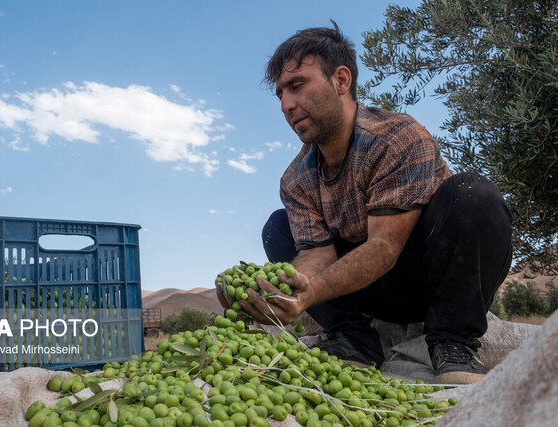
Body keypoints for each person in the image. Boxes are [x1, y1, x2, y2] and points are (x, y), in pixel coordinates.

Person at [216, 22, 513, 384]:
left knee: (473, 194)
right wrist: (283, 289)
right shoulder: (296, 180)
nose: (287, 105)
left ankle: (453, 341)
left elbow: (385, 245)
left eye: (297, 86)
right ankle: (355, 339)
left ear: (341, 80)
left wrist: (311, 292)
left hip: (430, 282)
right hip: (368, 294)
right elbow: (316, 255)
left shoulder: (397, 137)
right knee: (277, 228)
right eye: (280, 94)